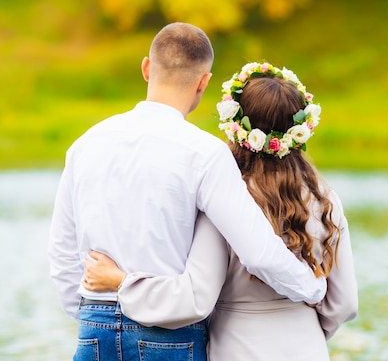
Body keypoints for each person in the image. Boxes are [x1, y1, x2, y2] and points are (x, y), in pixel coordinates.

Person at [48, 23, 327, 361]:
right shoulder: (205, 153)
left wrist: (91, 316)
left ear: (147, 68)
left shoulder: (85, 144)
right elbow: (258, 252)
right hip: (169, 336)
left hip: (94, 327)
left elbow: (63, 256)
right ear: (203, 82)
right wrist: (312, 288)